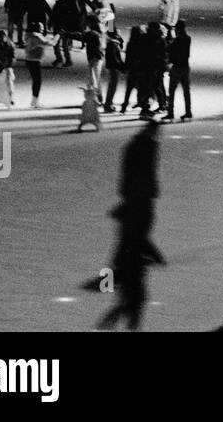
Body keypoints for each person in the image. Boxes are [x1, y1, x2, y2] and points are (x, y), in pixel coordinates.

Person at [98, 120, 164, 330]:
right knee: (138, 299)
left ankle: (117, 317)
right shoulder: (148, 147)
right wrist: (156, 256)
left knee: (133, 299)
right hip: (134, 267)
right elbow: (140, 236)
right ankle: (118, 322)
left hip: (129, 262)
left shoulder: (134, 146)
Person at [165, 20, 193, 121]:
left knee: (171, 91)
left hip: (177, 67)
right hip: (185, 67)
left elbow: (169, 49)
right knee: (186, 91)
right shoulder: (188, 38)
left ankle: (170, 112)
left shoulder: (177, 40)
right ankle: (188, 111)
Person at [103, 28, 126, 113]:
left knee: (112, 87)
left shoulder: (112, 43)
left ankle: (109, 103)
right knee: (112, 87)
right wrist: (122, 68)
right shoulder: (113, 45)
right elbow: (116, 59)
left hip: (112, 67)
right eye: (118, 33)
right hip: (114, 68)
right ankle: (108, 104)